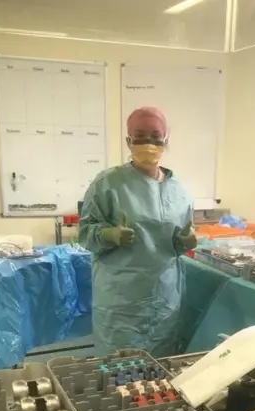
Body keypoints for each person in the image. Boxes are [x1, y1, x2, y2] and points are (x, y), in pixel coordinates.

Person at [79, 106, 197, 357]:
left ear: (166, 140)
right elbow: (84, 232)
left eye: (156, 135)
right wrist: (108, 235)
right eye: (140, 135)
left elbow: (175, 242)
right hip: (122, 300)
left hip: (164, 296)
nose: (149, 142)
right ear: (128, 141)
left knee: (160, 370)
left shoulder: (180, 191)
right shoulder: (107, 183)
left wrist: (184, 242)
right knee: (118, 370)